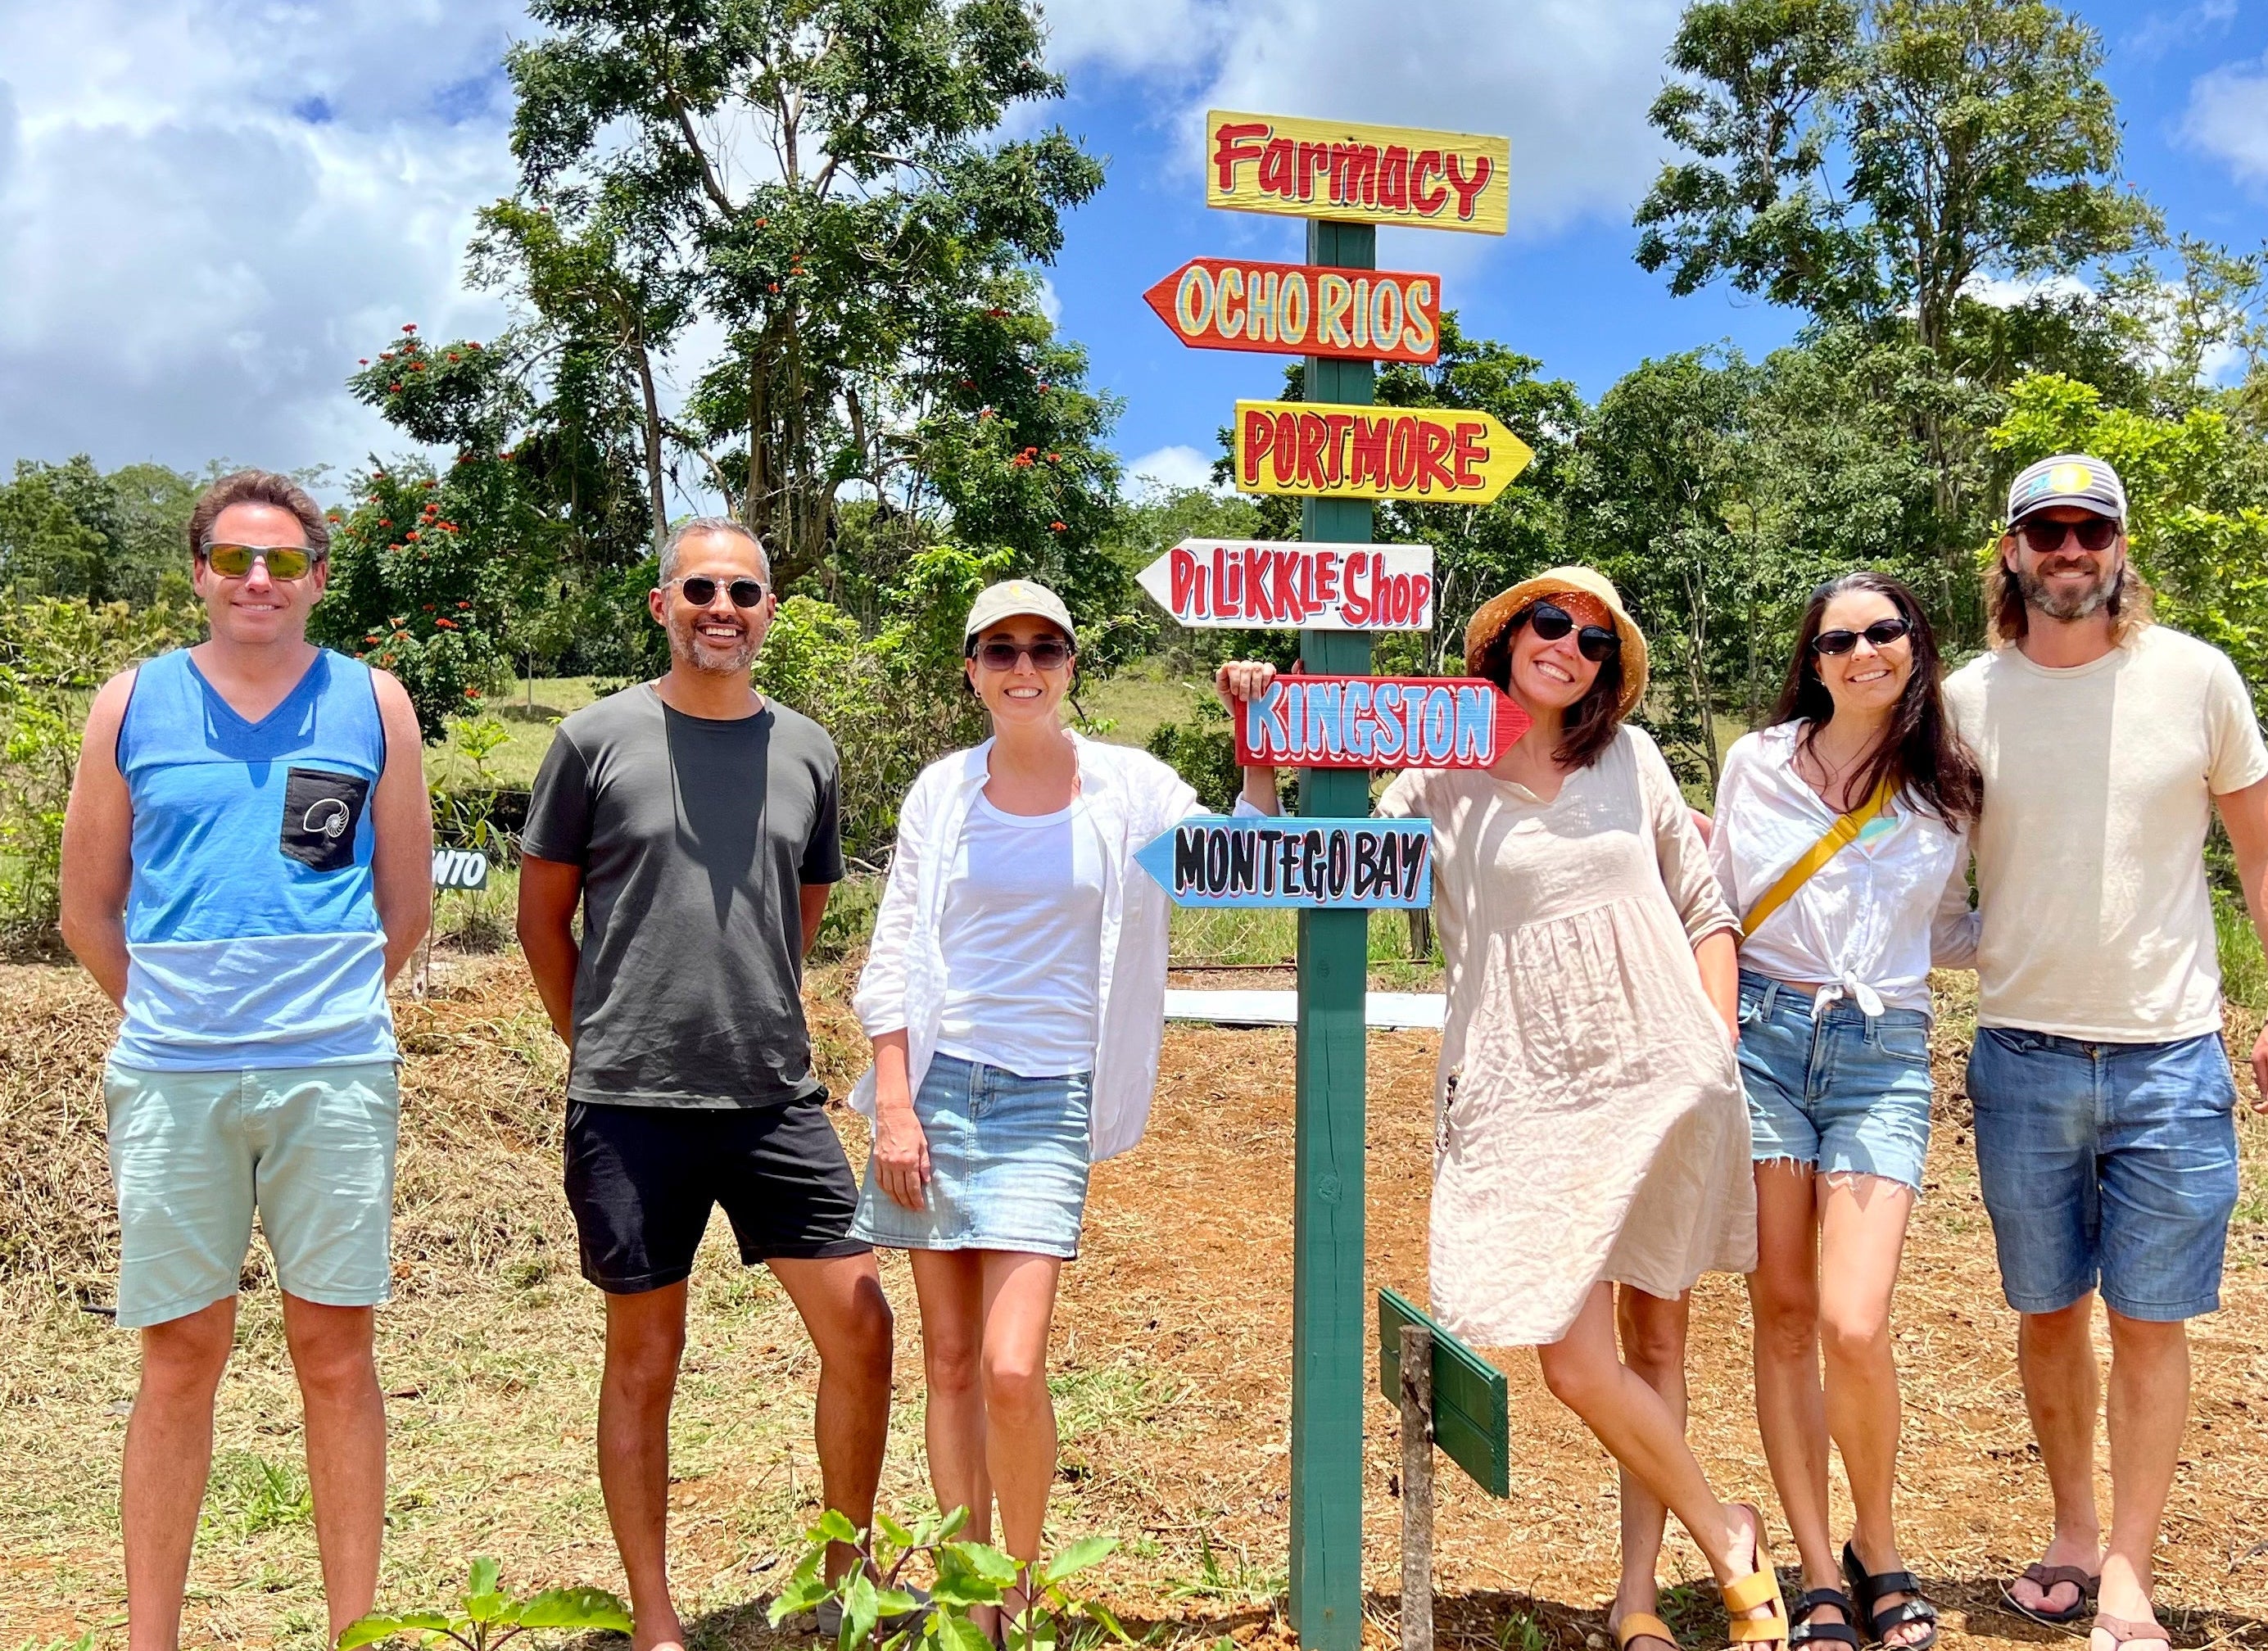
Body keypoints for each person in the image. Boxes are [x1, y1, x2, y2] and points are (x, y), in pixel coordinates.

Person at [1224, 568, 1787, 1649]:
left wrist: (1716, 1046)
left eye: (1594, 640)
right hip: (1525, 1090)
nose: (1569, 646)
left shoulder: (1630, 758)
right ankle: (1728, 1533)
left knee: (1655, 1340)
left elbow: (1706, 908)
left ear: (1606, 671)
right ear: (1507, 638)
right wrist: (1264, 736)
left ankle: (1637, 1598)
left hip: (1661, 1079)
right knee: (1575, 1362)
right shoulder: (1438, 771)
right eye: (1552, 622)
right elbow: (1318, 862)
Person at [57, 469, 432, 1650]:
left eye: (282, 562)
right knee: (179, 1355)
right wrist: (181, 1019)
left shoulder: (374, 704)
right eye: (232, 559)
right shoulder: (131, 705)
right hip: (173, 1082)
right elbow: (87, 911)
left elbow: (407, 906)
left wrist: (315, 1013)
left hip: (336, 1076)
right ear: (200, 574)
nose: (256, 580)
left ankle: (354, 1632)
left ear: (318, 577)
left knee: (337, 1353)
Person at [1947, 456, 2268, 1651]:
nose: (2069, 550)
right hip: (2022, 1055)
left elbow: (2265, 850)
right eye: (2045, 530)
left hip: (2170, 1058)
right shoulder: (1962, 702)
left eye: (2089, 530)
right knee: (2050, 1312)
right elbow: (1897, 855)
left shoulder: (2196, 679)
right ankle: (2071, 1531)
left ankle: (2128, 1573)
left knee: (2152, 1323)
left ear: (2120, 547)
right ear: (2011, 551)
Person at [515, 518, 894, 1651]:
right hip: (631, 1105)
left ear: (768, 609)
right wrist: (601, 1042)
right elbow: (542, 920)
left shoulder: (808, 750)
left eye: (743, 591)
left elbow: (802, 910)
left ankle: (845, 1583)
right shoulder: (593, 740)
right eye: (700, 590)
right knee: (646, 1356)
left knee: (863, 1327)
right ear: (662, 605)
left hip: (775, 1093)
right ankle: (655, 1615)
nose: (721, 608)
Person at [849, 579, 1225, 1618]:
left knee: (1012, 1368)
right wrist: (894, 1104)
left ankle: (1021, 1586)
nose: (1024, 668)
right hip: (938, 1089)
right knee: (950, 1363)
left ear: (1070, 667)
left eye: (1044, 650)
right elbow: (895, 949)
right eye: (1001, 650)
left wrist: (1255, 747)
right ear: (972, 669)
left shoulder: (1129, 787)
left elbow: (1226, 860)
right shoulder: (943, 792)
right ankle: (967, 1594)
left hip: (1048, 1097)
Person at [1703, 572, 1980, 1651]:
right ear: (1812, 663)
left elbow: (1951, 927)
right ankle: (1818, 1569)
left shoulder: (1950, 787)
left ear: (1916, 644)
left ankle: (1880, 1543)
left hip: (1881, 1051)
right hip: (1763, 1042)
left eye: (1884, 631)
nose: (1864, 652)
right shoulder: (1757, 764)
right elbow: (1715, 900)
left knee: (1853, 1321)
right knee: (1782, 1312)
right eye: (1839, 640)